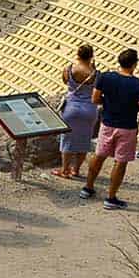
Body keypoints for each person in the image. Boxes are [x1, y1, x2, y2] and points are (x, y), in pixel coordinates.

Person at [84, 48, 139, 210]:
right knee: (120, 162)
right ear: (134, 64)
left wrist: (109, 103)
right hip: (127, 127)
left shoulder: (105, 77)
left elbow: (95, 98)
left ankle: (88, 188)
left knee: (99, 155)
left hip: (107, 123)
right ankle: (111, 198)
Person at [56, 47, 101, 179]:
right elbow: (97, 89)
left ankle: (65, 170)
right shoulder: (96, 74)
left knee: (67, 139)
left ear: (77, 55)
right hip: (90, 109)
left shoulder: (69, 69)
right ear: (91, 56)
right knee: (84, 140)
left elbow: (65, 81)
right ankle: (76, 170)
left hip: (71, 107)